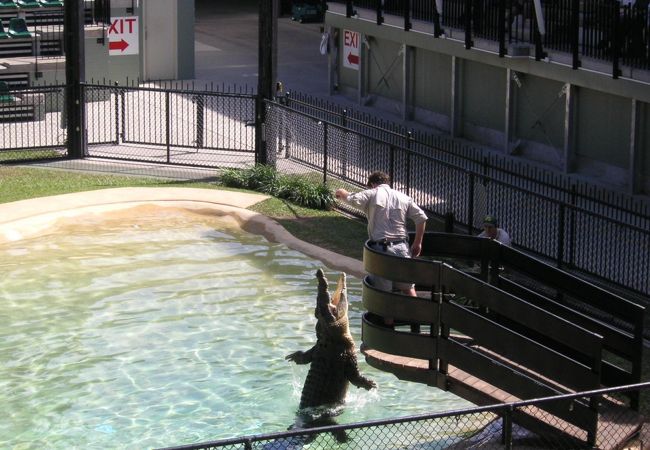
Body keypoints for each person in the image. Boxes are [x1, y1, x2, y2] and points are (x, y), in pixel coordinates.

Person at [335, 171, 427, 298]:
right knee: (408, 289)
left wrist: (341, 192)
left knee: (384, 295)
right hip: (402, 249)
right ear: (387, 183)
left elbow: (351, 199)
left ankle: (389, 319)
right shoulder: (404, 197)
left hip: (381, 250)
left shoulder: (371, 193)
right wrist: (418, 243)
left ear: (372, 184)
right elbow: (421, 218)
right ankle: (418, 317)